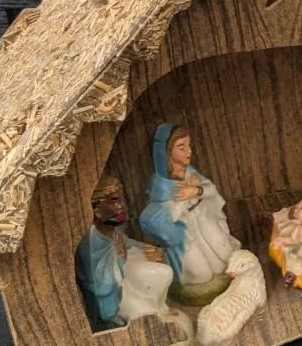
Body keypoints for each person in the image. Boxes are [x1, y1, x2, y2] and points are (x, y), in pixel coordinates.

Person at [139, 123, 242, 305]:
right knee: (202, 276)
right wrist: (183, 199)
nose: (189, 151)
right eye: (182, 147)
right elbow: (167, 218)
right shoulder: (160, 185)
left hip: (203, 218)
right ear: (167, 152)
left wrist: (197, 190)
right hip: (185, 233)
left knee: (225, 257)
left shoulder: (190, 172)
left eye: (189, 145)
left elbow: (211, 190)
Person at [76, 175, 172, 326]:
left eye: (121, 199)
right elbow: (103, 286)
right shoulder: (92, 245)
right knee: (147, 316)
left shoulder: (112, 230)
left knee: (164, 273)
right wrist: (125, 258)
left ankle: (164, 310)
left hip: (124, 280)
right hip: (113, 299)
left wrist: (145, 249)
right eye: (114, 201)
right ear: (96, 210)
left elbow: (125, 242)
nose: (121, 205)